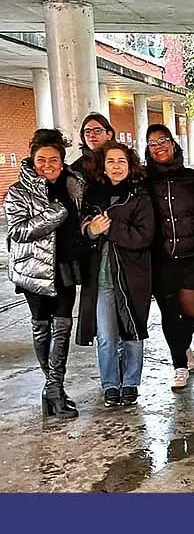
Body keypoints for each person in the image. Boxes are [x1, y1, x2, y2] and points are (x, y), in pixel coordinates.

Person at [5, 129, 86, 419]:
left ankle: (54, 388)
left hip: (66, 267)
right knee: (42, 327)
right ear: (32, 158)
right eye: (41, 159)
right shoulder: (18, 192)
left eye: (54, 159)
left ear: (62, 161)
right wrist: (55, 214)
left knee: (62, 328)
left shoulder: (74, 185)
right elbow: (17, 231)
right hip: (34, 270)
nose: (47, 164)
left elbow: (81, 219)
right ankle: (54, 389)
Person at [76, 142, 154, 407]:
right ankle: (110, 384)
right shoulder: (93, 194)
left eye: (121, 161)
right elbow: (83, 228)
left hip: (133, 277)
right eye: (111, 161)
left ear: (129, 164)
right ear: (103, 165)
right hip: (100, 278)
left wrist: (110, 229)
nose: (116, 166)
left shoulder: (139, 196)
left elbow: (144, 236)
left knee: (132, 331)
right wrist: (91, 230)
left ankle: (131, 383)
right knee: (106, 336)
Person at [145, 123, 194, 390]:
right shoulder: (144, 180)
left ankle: (182, 347)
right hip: (160, 260)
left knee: (193, 313)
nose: (159, 146)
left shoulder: (191, 178)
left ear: (173, 143)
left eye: (163, 140)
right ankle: (179, 365)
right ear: (148, 150)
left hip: (190, 256)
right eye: (153, 143)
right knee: (171, 315)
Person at [70, 113, 116, 177]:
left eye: (97, 131)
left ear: (109, 135)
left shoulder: (124, 157)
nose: (91, 135)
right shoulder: (76, 167)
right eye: (87, 131)